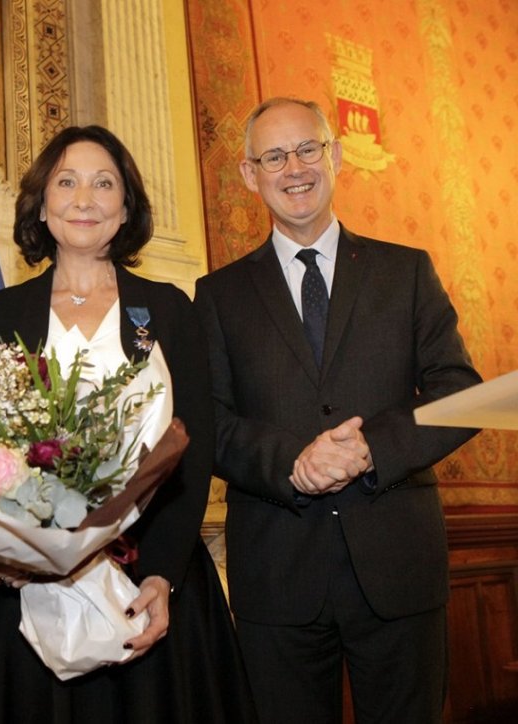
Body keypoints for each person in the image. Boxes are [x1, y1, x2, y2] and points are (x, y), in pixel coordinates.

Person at [0, 125, 257, 723]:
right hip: (26, 586)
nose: (84, 199)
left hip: (146, 582)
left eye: (103, 183)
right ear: (41, 201)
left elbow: (193, 448)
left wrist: (162, 573)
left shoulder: (166, 310)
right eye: (67, 181)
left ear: (126, 206)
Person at [193, 97, 482, 723]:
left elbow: (460, 391)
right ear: (249, 174)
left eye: (307, 149)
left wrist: (372, 447)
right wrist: (293, 462)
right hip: (277, 572)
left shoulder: (405, 272)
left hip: (398, 565)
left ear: (337, 157)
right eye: (273, 156)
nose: (294, 167)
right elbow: (208, 424)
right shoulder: (218, 296)